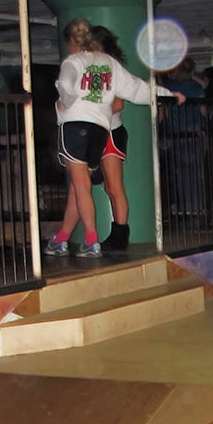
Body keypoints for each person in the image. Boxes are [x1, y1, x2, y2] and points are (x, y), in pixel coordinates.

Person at [43, 17, 181, 258]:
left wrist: (67, 104)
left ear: (72, 42)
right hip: (99, 128)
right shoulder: (109, 63)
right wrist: (167, 95)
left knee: (82, 186)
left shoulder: (73, 61)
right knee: (80, 186)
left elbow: (65, 84)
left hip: (76, 125)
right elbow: (137, 89)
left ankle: (91, 241)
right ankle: (62, 239)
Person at [90, 25, 134, 253]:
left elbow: (118, 103)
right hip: (101, 130)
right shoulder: (97, 68)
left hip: (109, 131)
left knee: (115, 187)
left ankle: (120, 235)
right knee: (109, 187)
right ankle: (117, 234)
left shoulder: (110, 68)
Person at [160, 56, 206, 219]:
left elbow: (162, 112)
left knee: (179, 174)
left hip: (176, 133)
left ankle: (183, 208)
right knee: (195, 173)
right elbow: (203, 110)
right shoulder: (195, 87)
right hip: (194, 133)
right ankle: (196, 207)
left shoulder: (169, 87)